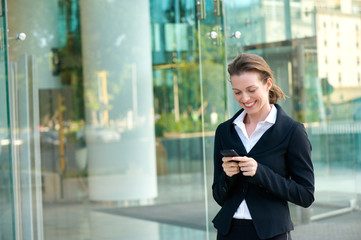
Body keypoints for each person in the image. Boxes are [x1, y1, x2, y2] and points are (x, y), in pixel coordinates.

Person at [212, 53, 315, 240]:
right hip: (228, 232)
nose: (245, 98)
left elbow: (305, 195)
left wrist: (260, 172)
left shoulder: (292, 131)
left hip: (271, 233)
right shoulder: (224, 131)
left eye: (251, 90)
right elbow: (218, 196)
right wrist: (227, 176)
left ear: (268, 84)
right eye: (237, 92)